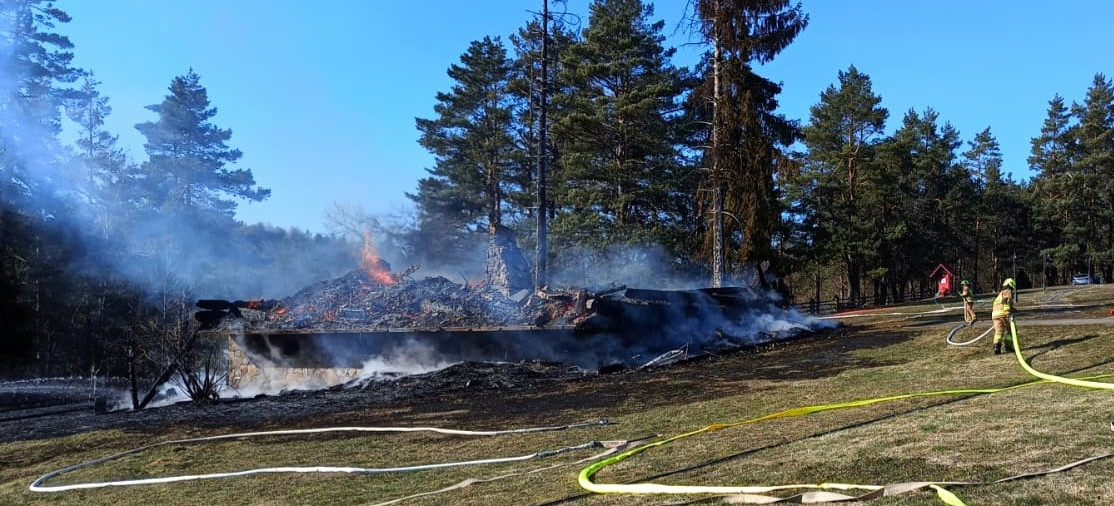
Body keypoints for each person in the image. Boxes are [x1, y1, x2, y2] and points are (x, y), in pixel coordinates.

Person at [991, 278, 1016, 355]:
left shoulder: (1000, 294)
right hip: (1003, 314)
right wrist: (1008, 310)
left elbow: (1002, 302)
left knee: (999, 332)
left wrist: (1012, 308)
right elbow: (1007, 301)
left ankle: (996, 347)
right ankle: (1008, 346)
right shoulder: (1008, 291)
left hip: (995, 315)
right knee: (1011, 330)